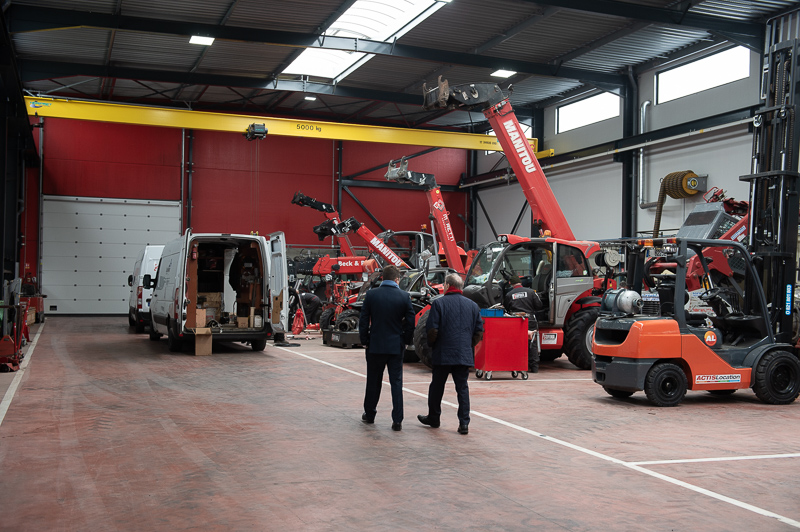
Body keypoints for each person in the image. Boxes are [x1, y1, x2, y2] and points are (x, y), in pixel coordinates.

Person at [418, 273, 483, 435]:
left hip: (443, 353)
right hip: (463, 354)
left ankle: (434, 418)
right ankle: (464, 423)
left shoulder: (439, 304)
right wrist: (468, 346)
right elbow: (479, 332)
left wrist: (434, 345)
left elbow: (432, 330)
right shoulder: (473, 306)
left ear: (447, 285)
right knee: (462, 388)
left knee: (437, 387)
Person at [358, 265, 415, 431]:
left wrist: (364, 340)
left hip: (375, 345)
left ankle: (369, 414)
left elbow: (363, 320)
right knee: (396, 382)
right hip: (395, 346)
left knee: (373, 381)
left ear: (383, 278)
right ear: (397, 279)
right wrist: (405, 340)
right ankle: (397, 420)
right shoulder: (404, 297)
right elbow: (411, 323)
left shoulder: (371, 295)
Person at [502, 275, 544, 373]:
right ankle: (534, 367)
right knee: (532, 342)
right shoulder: (531, 292)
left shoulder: (509, 294)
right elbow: (539, 305)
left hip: (515, 320)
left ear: (510, 284)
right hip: (530, 319)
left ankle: (516, 366)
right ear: (520, 282)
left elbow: (506, 309)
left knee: (516, 342)